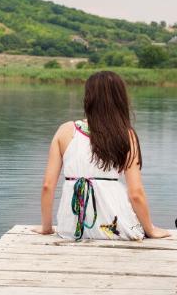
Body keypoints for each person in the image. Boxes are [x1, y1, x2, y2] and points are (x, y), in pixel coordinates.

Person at [33, 71, 170, 240]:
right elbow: (135, 193)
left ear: (88, 98)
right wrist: (150, 229)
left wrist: (47, 227)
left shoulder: (65, 130)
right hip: (116, 228)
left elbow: (47, 185)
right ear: (120, 99)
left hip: (72, 229)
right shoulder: (126, 135)